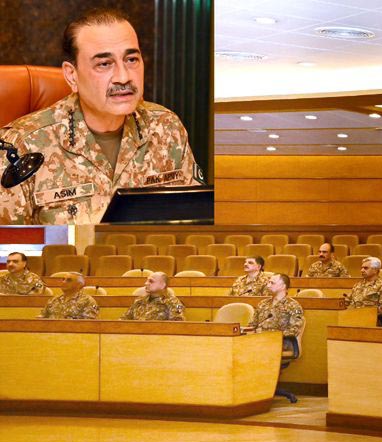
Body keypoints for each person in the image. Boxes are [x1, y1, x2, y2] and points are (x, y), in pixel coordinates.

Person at [0, 8, 203, 225]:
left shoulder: (166, 127)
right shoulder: (22, 146)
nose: (123, 77)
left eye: (131, 59)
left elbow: (196, 223)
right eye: (104, 64)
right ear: (72, 75)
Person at [248, 273, 305, 341]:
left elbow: (294, 330)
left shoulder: (293, 305)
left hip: (281, 342)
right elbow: (252, 325)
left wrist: (271, 336)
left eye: (272, 283)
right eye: (268, 282)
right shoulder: (262, 303)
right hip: (259, 340)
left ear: (283, 286)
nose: (268, 285)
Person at [341, 257, 382, 326]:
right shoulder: (358, 285)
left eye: (366, 268)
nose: (362, 270)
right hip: (354, 319)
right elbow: (348, 301)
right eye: (361, 268)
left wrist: (364, 314)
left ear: (375, 270)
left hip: (374, 321)